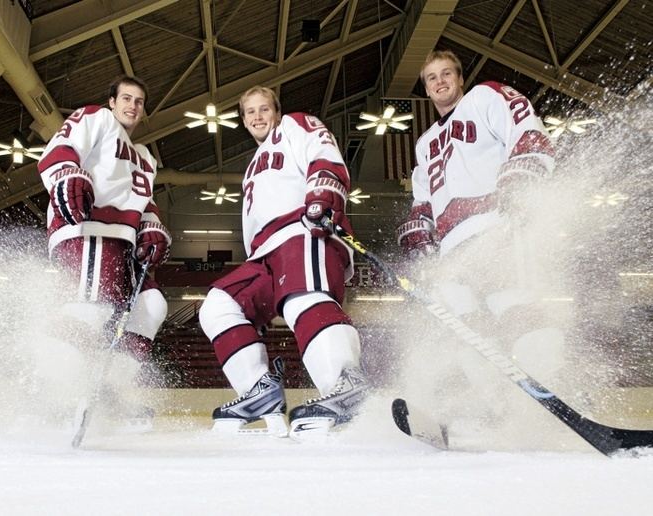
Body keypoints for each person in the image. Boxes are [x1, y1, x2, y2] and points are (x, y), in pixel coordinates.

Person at [396, 50, 563, 425]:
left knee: (515, 309)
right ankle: (497, 411)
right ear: (425, 88)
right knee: (467, 330)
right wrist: (419, 228)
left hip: (494, 228)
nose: (439, 82)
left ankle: (558, 393)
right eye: (431, 78)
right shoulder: (424, 144)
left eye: (446, 74)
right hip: (452, 251)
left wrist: (523, 170)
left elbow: (526, 129)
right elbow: (423, 197)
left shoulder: (486, 96)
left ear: (459, 77)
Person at [198, 86, 369, 437]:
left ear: (276, 111)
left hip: (303, 228)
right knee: (218, 306)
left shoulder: (295, 125)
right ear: (243, 120)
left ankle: (346, 385)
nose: (258, 117)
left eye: (264, 109)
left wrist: (322, 193)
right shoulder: (250, 167)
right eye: (250, 112)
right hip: (263, 252)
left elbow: (323, 152)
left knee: (300, 299)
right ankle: (258, 391)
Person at [37, 76, 170, 418]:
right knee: (92, 306)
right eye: (126, 98)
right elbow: (61, 151)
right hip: (90, 227)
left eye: (139, 101)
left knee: (151, 306)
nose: (132, 106)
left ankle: (107, 391)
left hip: (123, 240)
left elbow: (146, 204)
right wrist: (67, 175)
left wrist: (152, 227)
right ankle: (55, 392)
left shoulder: (145, 158)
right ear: (112, 101)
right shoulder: (97, 118)